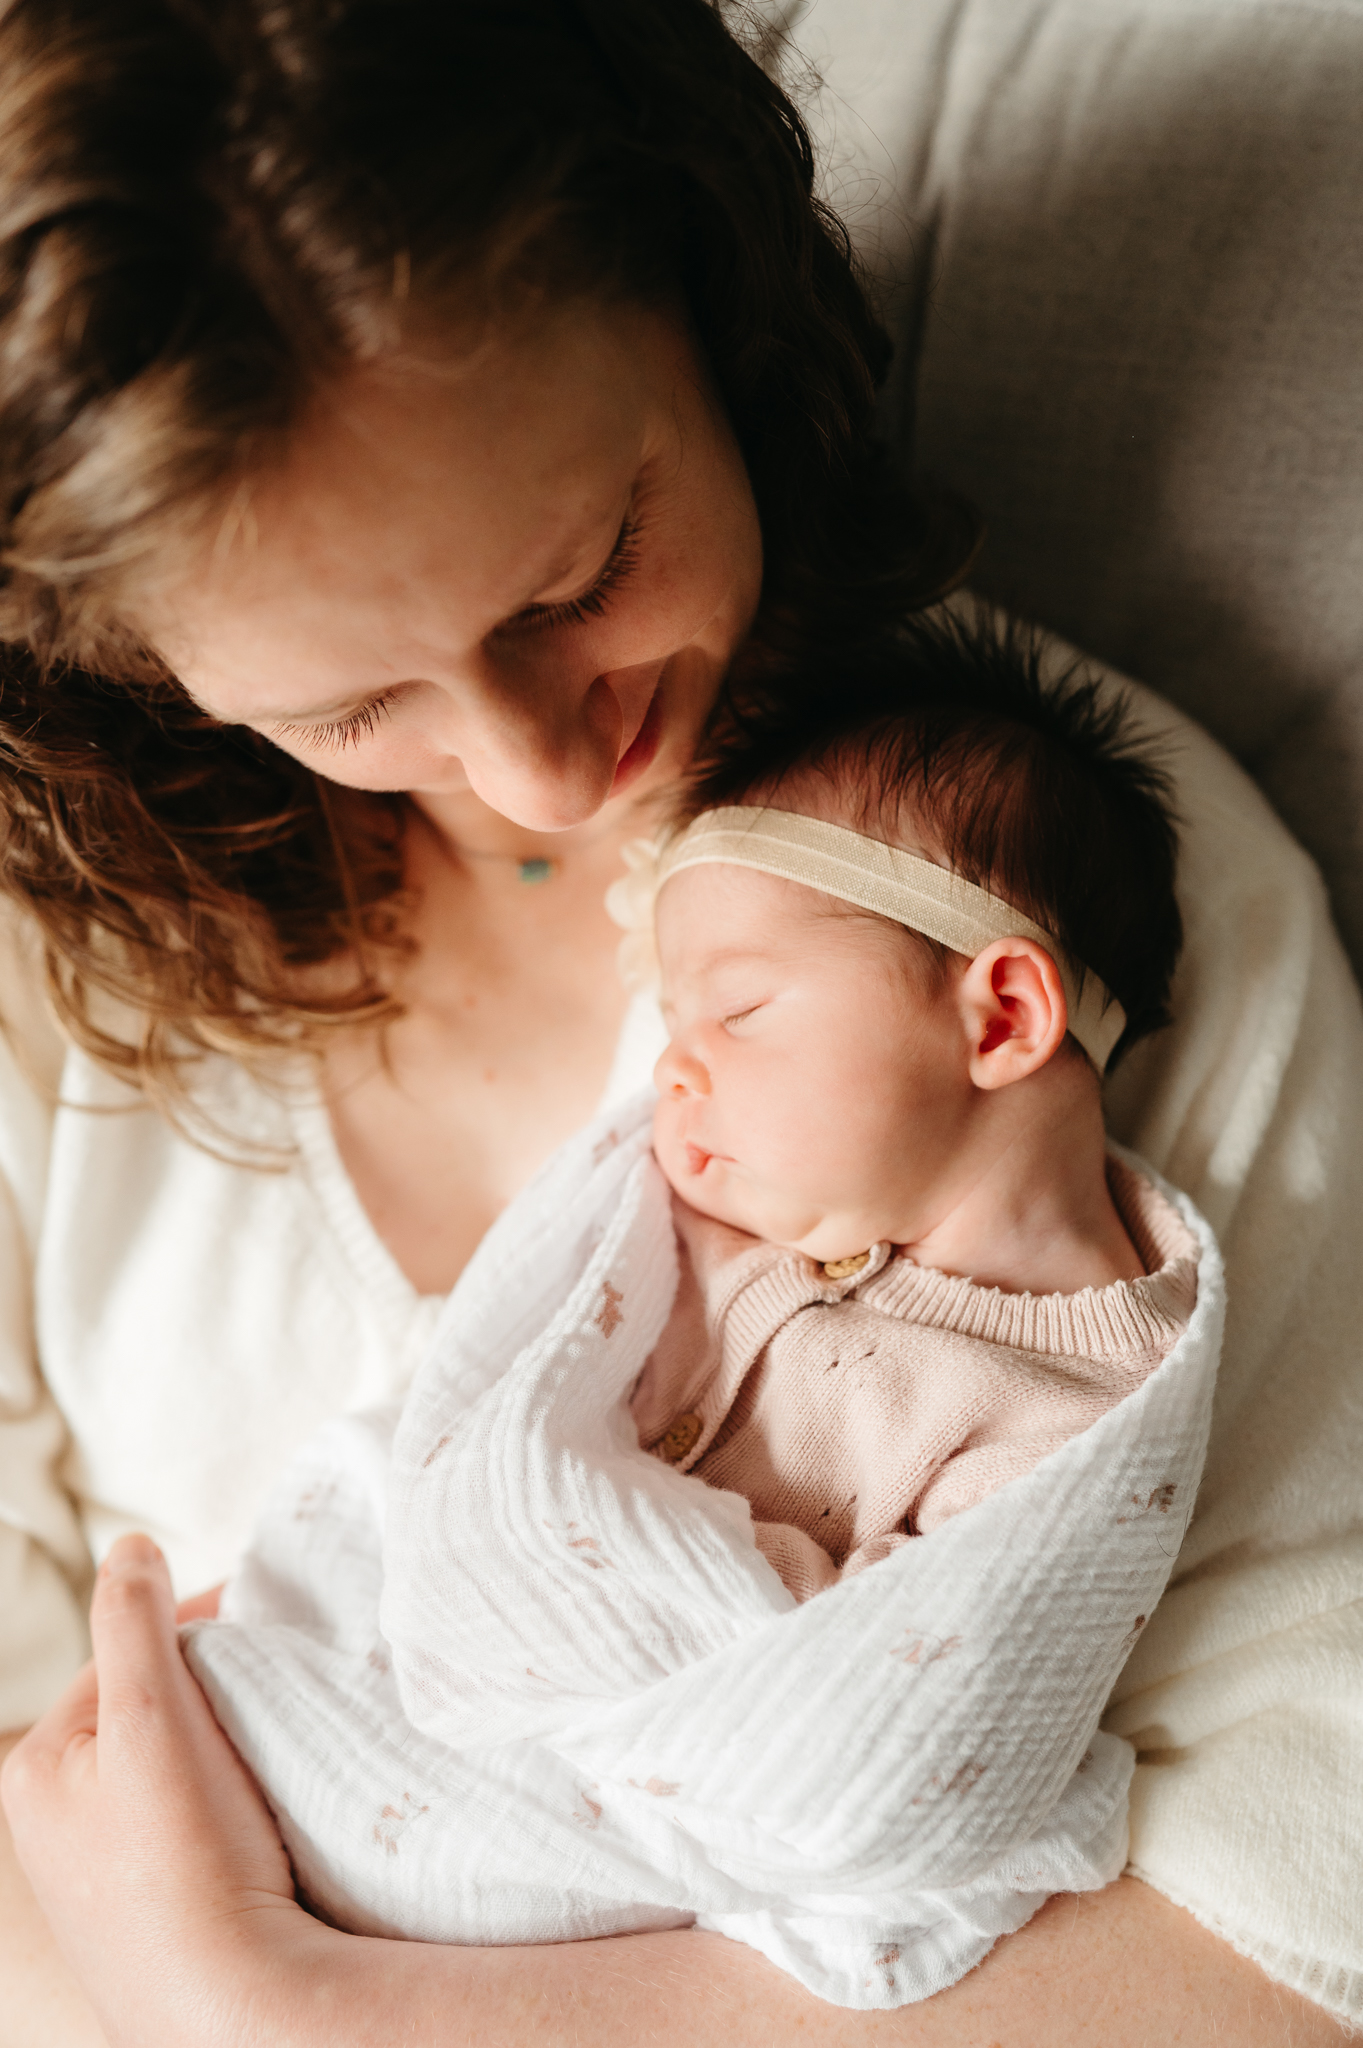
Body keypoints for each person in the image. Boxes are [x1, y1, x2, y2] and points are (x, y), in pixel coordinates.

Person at [0, 2, 1352, 2043]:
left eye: (579, 572)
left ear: (698, 282)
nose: (536, 767)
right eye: (349, 704)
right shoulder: (74, 970)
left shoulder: (1043, 916)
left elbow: (1298, 1909)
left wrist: (289, 2010)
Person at [180, 626, 1219, 2007]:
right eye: (675, 1023)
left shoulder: (1072, 1411)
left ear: (1000, 1017)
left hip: (608, 1802)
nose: (676, 1072)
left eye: (738, 1007)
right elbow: (514, 1392)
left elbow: (889, 1725)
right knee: (177, 1706)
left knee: (181, 1749)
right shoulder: (732, 1241)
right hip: (398, 1664)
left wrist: (600, 1548)